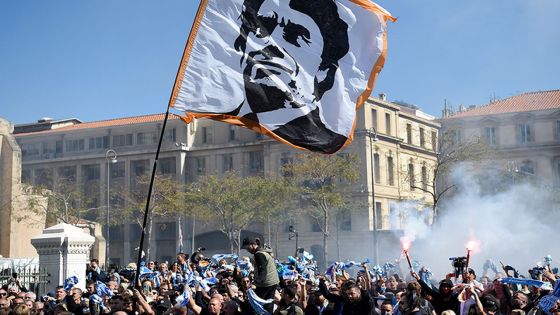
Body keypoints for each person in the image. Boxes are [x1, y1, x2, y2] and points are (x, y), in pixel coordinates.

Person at [232, 0, 351, 152]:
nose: (271, 44)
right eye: (263, 28)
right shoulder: (228, 114)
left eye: (294, 37)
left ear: (324, 73)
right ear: (241, 47)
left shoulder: (317, 138)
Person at [241, 237, 279, 302]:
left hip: (266, 284)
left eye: (248, 247)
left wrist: (255, 283)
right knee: (268, 304)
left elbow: (263, 271)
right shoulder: (263, 252)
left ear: (253, 244)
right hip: (272, 282)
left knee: (259, 304)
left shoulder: (259, 255)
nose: (247, 250)